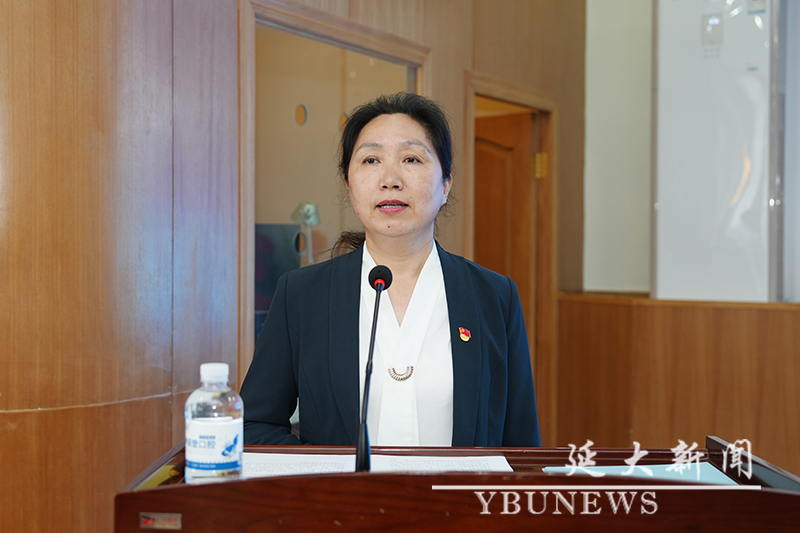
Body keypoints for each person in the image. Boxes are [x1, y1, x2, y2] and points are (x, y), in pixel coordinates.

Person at [240, 92, 541, 447]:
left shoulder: (494, 297)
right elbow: (255, 425)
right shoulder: (303, 295)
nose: (390, 179)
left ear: (446, 184)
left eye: (411, 158)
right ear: (349, 184)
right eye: (371, 160)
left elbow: (521, 444)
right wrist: (324, 473)